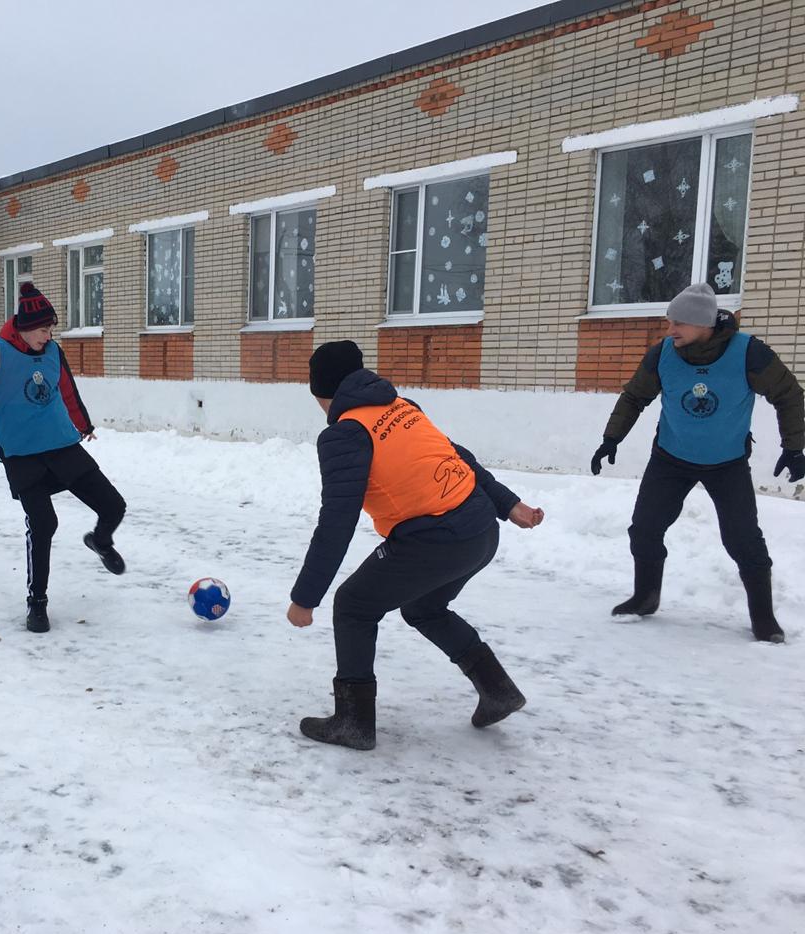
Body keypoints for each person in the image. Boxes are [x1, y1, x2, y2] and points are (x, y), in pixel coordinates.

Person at [288, 341, 544, 751]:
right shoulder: (402, 406)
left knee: (354, 605)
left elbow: (337, 521)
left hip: (436, 539)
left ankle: (354, 721)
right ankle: (497, 689)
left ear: (322, 393)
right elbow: (458, 457)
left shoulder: (344, 435)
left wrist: (305, 598)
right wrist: (507, 503)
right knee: (423, 607)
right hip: (479, 530)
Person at [591, 282, 804, 643]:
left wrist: (795, 447)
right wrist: (611, 439)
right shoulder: (663, 354)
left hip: (727, 462)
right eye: (670, 322)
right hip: (670, 458)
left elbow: (788, 394)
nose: (670, 330)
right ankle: (645, 597)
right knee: (644, 528)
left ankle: (764, 618)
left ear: (704, 324)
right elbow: (634, 396)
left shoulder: (748, 353)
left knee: (743, 540)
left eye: (679, 324)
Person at [0, 282, 126, 633]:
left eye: (51, 329)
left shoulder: (53, 351)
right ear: (23, 327)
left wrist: (83, 424)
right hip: (23, 455)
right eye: (42, 329)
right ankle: (37, 603)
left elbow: (67, 389)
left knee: (114, 505)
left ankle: (100, 540)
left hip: (62, 445)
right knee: (44, 524)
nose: (48, 335)